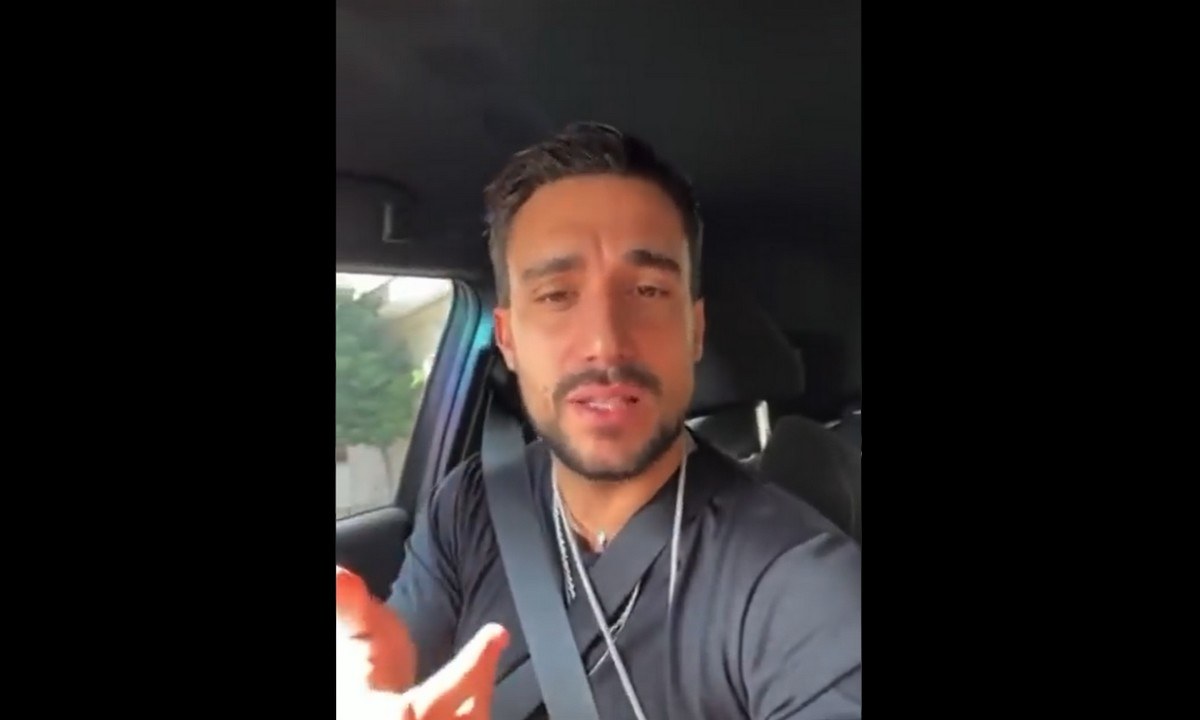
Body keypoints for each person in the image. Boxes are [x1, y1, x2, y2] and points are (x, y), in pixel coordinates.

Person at [337, 122, 862, 719]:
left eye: (648, 290)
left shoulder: (800, 580)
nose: (606, 344)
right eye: (557, 295)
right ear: (508, 339)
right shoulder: (469, 508)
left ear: (695, 331)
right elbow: (397, 678)